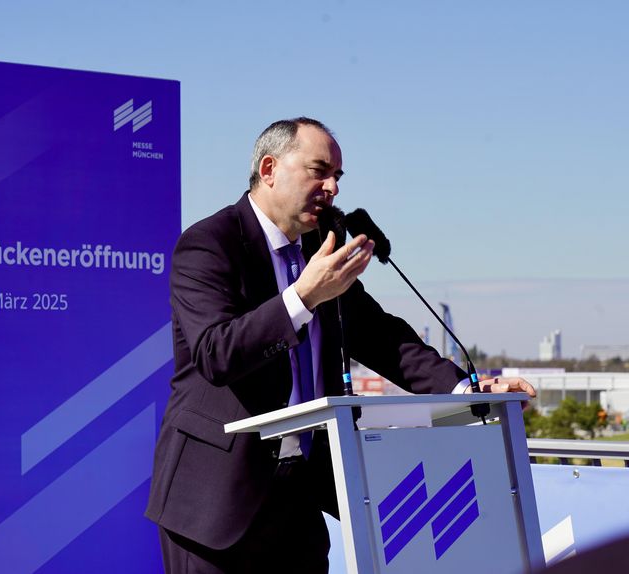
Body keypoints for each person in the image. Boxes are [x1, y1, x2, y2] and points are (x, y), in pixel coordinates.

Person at [145, 117, 536, 573]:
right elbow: (215, 354)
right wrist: (304, 296)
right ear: (269, 169)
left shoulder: (318, 250)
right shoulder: (209, 243)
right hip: (216, 503)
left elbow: (383, 337)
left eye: (337, 177)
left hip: (299, 498)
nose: (332, 187)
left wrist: (467, 391)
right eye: (319, 171)